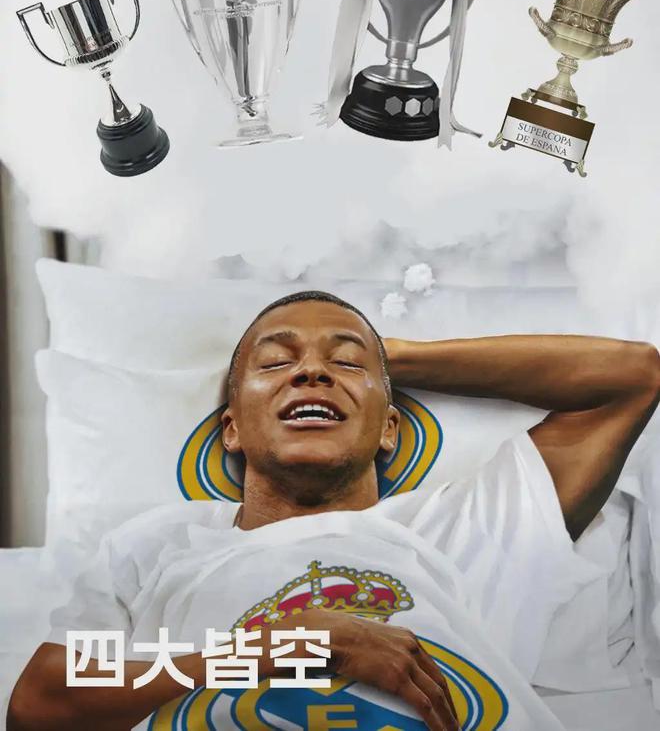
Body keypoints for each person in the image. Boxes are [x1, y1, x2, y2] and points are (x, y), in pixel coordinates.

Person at [8, 291, 660, 731]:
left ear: (391, 430)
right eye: (275, 362)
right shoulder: (156, 546)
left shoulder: (462, 526)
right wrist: (279, 647)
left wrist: (387, 355)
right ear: (231, 429)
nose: (311, 373)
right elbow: (42, 702)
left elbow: (630, 378)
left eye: (342, 364)